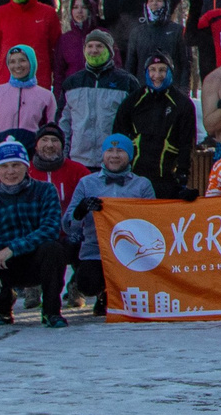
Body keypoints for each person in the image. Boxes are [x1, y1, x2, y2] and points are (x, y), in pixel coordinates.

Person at [0, 137, 71, 326]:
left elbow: (50, 229)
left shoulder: (45, 190)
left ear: (26, 167)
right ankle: (4, 308)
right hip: (3, 264)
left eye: (16, 165)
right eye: (4, 166)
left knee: (54, 249)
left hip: (35, 259)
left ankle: (51, 311)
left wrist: (12, 248)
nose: (10, 172)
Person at [64, 134, 155, 314]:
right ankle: (98, 291)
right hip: (96, 249)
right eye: (110, 151)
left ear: (129, 155)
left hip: (132, 251)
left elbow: (153, 221)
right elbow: (68, 225)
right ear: (103, 155)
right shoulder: (86, 183)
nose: (114, 155)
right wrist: (80, 211)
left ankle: (111, 296)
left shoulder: (142, 184)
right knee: (88, 283)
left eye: (120, 151)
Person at [113, 54, 198, 200]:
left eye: (162, 70)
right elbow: (118, 136)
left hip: (166, 179)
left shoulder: (183, 104)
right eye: (152, 70)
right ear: (146, 72)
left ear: (170, 72)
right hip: (135, 178)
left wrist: (183, 175)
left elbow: (187, 143)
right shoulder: (133, 101)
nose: (157, 75)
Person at [58, 30, 142, 169]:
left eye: (99, 46)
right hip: (78, 161)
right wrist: (63, 155)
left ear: (109, 51)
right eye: (90, 46)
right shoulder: (72, 83)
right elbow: (63, 123)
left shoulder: (126, 82)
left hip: (114, 162)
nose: (94, 50)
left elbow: (136, 124)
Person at [0, 44, 58, 173]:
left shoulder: (46, 96)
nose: (17, 66)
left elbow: (52, 131)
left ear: (31, 62)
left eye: (22, 60)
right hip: (2, 159)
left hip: (33, 161)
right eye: (12, 61)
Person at [0, 0, 62, 93]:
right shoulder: (0, 13)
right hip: (7, 80)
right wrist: (5, 68)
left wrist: (46, 69)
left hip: (39, 81)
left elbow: (56, 49)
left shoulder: (47, 13)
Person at [120, 0, 189, 88]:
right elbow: (130, 65)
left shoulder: (178, 31)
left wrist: (183, 91)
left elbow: (185, 65)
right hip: (143, 90)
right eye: (151, 1)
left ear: (166, 5)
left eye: (158, 1)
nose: (154, 3)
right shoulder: (137, 32)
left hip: (172, 90)